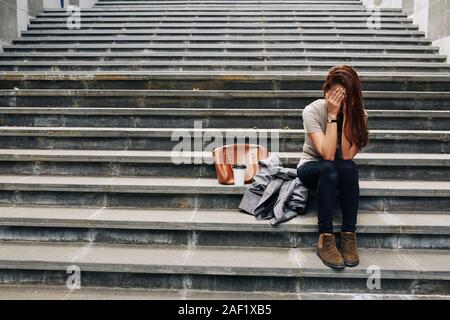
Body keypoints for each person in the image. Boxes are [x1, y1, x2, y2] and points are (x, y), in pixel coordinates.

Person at [297, 65, 369, 270]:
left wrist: (349, 113)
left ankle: (348, 236)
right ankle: (325, 238)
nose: (340, 99)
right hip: (311, 166)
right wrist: (332, 114)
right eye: (335, 94)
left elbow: (346, 155)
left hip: (341, 168)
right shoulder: (312, 110)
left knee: (348, 167)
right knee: (329, 168)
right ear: (327, 92)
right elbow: (326, 155)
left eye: (345, 95)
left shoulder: (360, 115)